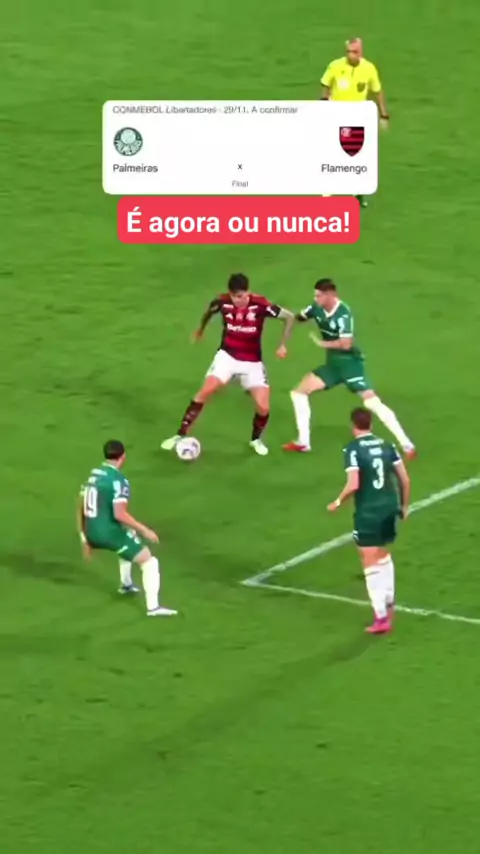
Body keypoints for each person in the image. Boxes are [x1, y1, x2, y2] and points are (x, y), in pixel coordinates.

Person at [161, 273, 294, 456]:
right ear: (230, 294)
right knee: (206, 390)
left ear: (248, 291)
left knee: (263, 407)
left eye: (243, 296)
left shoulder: (261, 305)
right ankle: (180, 434)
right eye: (236, 297)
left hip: (252, 361)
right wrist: (200, 330)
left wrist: (283, 344)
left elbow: (289, 317)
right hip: (227, 356)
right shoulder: (222, 303)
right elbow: (209, 313)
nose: (240, 300)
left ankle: (255, 439)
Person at [283, 279, 416, 458]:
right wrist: (280, 319)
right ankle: (303, 442)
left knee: (372, 402)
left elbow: (346, 344)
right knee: (298, 393)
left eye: (319, 295)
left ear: (330, 295)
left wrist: (323, 343)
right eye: (315, 295)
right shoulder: (316, 308)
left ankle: (407, 446)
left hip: (350, 364)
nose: (315, 299)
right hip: (333, 366)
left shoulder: (343, 314)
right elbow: (298, 317)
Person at [327, 407, 410, 634]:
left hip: (369, 512)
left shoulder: (353, 449)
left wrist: (337, 502)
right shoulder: (387, 446)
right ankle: (389, 601)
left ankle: (381, 617)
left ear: (353, 426)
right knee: (381, 552)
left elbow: (353, 484)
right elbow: (405, 479)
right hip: (390, 506)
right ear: (371, 424)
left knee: (368, 558)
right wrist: (404, 506)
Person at [77, 440, 177, 617]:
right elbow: (119, 514)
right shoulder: (118, 480)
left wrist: (84, 538)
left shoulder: (94, 474)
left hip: (90, 531)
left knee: (129, 534)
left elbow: (80, 505)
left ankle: (126, 584)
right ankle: (153, 608)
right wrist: (145, 530)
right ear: (123, 456)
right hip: (107, 533)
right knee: (149, 560)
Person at [320, 37, 388, 208]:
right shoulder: (335, 66)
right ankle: (327, 193)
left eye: (355, 52)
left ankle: (357, 193)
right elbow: (326, 85)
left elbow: (377, 91)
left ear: (361, 52)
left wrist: (383, 115)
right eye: (348, 52)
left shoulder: (369, 69)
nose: (351, 55)